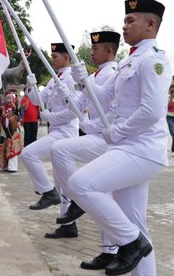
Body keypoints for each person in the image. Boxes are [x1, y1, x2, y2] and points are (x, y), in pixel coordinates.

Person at [67, 0, 171, 276]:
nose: (124, 26)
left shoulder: (154, 60)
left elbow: (151, 111)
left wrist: (117, 131)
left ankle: (130, 242)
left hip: (141, 149)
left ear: (151, 24)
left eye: (130, 21)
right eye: (124, 20)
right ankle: (135, 243)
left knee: (81, 184)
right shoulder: (129, 61)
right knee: (135, 221)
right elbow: (103, 98)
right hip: (128, 147)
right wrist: (85, 80)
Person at [50, 31, 120, 270]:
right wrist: (67, 96)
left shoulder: (113, 74)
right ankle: (109, 250)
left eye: (96, 48)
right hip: (95, 135)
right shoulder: (96, 74)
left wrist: (93, 124)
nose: (91, 52)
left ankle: (76, 201)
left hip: (105, 139)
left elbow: (110, 110)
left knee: (61, 150)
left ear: (109, 51)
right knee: (104, 195)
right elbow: (79, 104)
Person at [21, 43, 79, 239]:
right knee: (63, 182)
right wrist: (30, 85)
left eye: (55, 56)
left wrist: (49, 118)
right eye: (52, 56)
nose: (52, 59)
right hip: (56, 132)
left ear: (66, 57)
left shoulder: (70, 79)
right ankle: (68, 224)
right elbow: (37, 100)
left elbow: (74, 111)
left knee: (28, 153)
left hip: (65, 133)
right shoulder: (55, 80)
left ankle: (48, 192)